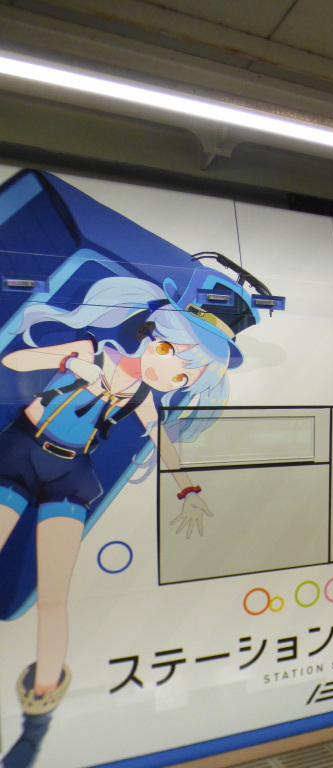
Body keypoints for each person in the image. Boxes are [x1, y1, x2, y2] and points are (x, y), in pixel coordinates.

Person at [0, 269, 261, 768]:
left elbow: (162, 441)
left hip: (70, 473)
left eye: (185, 380)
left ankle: (35, 729)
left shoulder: (142, 398)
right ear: (159, 339)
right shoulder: (91, 351)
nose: (174, 381)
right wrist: (70, 363)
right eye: (179, 365)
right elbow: (13, 360)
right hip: (19, 454)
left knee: (54, 599)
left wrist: (189, 490)